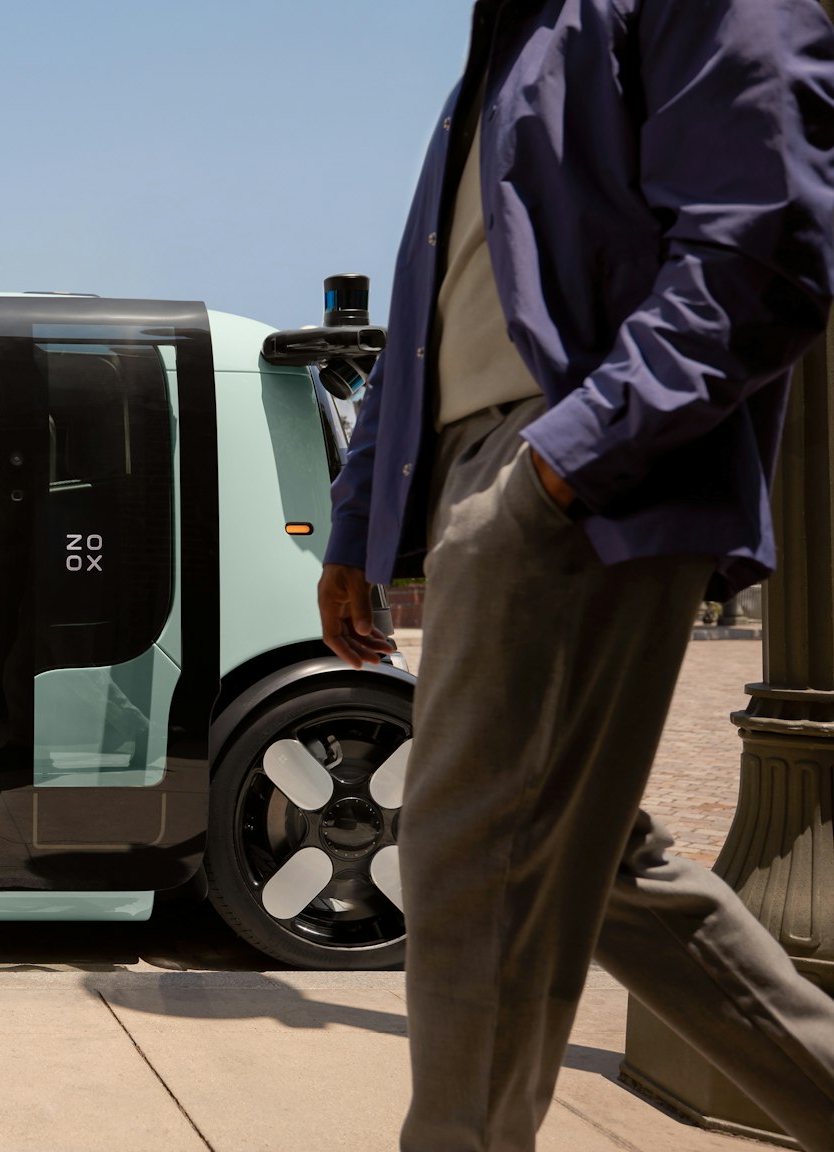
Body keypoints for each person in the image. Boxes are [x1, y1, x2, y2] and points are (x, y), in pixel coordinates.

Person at [319, 2, 834, 1148]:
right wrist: (361, 517)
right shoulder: (502, 40)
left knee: (467, 867)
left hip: (563, 462)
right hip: (483, 466)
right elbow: (426, 317)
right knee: (593, 864)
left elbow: (766, 243)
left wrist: (563, 462)